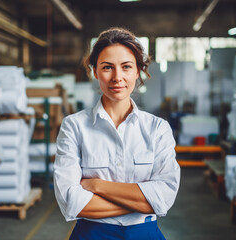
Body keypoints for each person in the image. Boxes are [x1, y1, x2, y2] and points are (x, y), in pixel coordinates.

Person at [54, 27, 180, 240]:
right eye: (107, 67)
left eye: (126, 67)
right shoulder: (74, 127)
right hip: (91, 234)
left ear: (138, 70)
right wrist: (143, 202)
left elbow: (164, 197)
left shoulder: (157, 129)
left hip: (144, 234)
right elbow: (70, 200)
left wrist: (96, 185)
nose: (117, 77)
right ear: (94, 71)